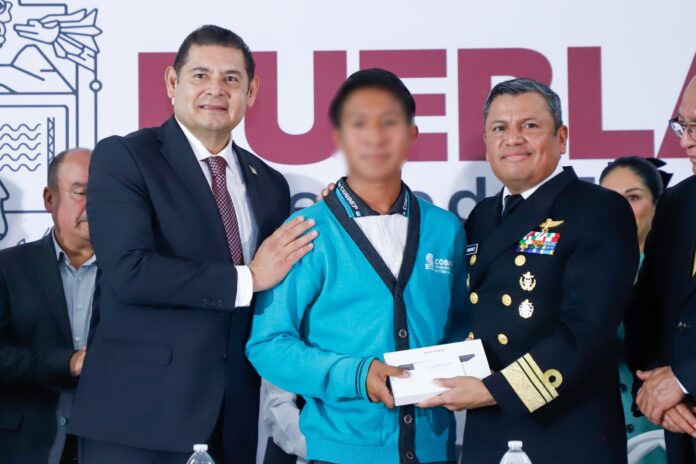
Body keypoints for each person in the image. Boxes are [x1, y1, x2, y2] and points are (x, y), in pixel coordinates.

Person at [68, 25, 316, 464]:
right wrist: (249, 278)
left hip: (232, 418)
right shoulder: (125, 158)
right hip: (138, 418)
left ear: (251, 91)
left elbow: (278, 289)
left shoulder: (270, 183)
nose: (216, 89)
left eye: (231, 78)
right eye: (200, 75)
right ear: (172, 82)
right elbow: (129, 272)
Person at [247, 68, 467, 464]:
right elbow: (267, 345)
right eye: (359, 123)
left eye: (390, 122)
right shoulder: (305, 231)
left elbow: (459, 327)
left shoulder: (445, 229)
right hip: (339, 452)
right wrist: (357, 375)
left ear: (412, 135)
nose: (375, 137)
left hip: (434, 451)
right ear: (340, 137)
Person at [418, 78, 639, 463]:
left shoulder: (598, 209)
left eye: (530, 125)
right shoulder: (483, 215)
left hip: (565, 430)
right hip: (488, 428)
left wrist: (496, 391)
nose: (512, 139)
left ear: (562, 137)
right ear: (486, 141)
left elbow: (585, 332)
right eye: (499, 128)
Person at [0, 148, 95, 464]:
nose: (93, 205)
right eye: (81, 193)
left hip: (110, 443)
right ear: (49, 199)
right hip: (24, 446)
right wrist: (68, 363)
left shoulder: (132, 272)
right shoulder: (8, 268)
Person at [626, 76, 696, 463]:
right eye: (682, 126)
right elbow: (645, 310)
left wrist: (684, 378)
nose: (685, 142)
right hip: (681, 430)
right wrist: (655, 383)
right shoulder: (676, 203)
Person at [600, 156, 671, 463]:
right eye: (610, 199)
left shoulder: (678, 276)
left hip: (667, 428)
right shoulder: (579, 275)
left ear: (657, 204)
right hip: (598, 437)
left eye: (633, 197)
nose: (620, 209)